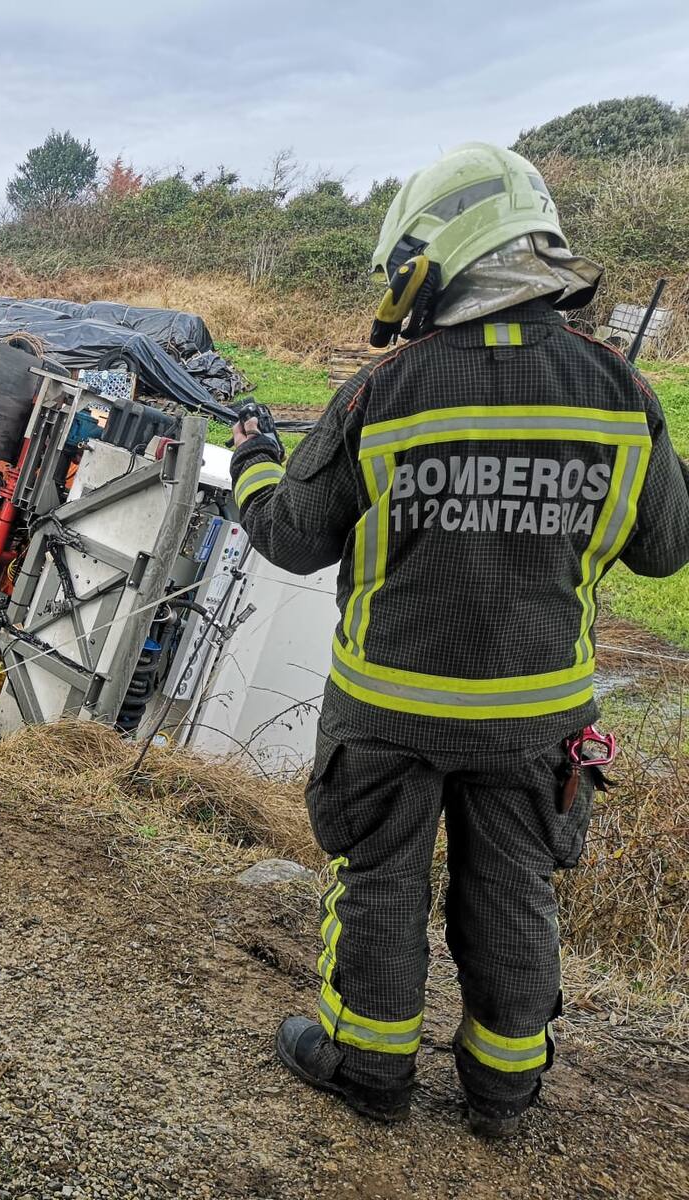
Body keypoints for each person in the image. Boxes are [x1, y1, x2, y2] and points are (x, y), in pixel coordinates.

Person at [229, 141, 689, 1138]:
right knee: (516, 888)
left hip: (389, 709)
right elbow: (665, 550)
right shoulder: (620, 393)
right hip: (537, 717)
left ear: (434, 259)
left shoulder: (383, 392)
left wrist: (255, 459)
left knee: (381, 879)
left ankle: (368, 1068)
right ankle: (504, 1089)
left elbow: (291, 536)